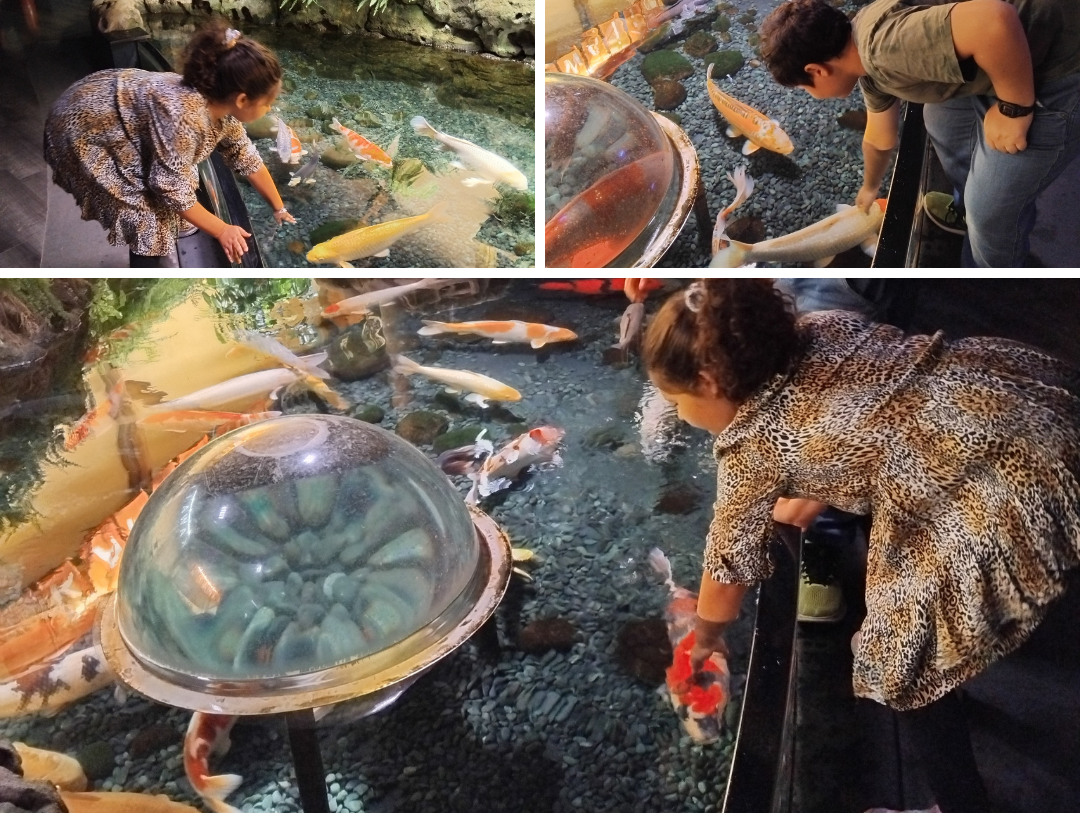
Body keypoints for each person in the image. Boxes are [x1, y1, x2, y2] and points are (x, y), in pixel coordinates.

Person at [641, 279, 1080, 813]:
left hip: (994, 494)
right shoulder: (817, 328)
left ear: (708, 383)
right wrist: (807, 491)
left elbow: (728, 562)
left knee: (901, 663)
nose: (680, 415)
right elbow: (865, 421)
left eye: (676, 400)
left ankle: (961, 803)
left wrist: (706, 635)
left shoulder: (750, 446)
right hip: (1021, 405)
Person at [758, 0, 1080, 268]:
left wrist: (1014, 108)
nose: (811, 95)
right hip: (1007, 55)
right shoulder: (862, 55)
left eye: (804, 88)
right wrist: (870, 188)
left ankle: (994, 277)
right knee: (939, 118)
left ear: (817, 70)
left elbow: (994, 21)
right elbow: (879, 136)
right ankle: (965, 208)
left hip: (1055, 66)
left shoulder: (883, 51)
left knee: (990, 215)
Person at [43, 20, 296, 267]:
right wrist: (221, 229)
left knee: (171, 192)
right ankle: (147, 270)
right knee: (147, 222)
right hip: (82, 128)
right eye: (267, 102)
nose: (270, 108)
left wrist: (279, 207)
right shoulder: (185, 119)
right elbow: (169, 187)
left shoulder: (219, 102)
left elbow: (245, 156)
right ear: (242, 100)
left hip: (111, 110)